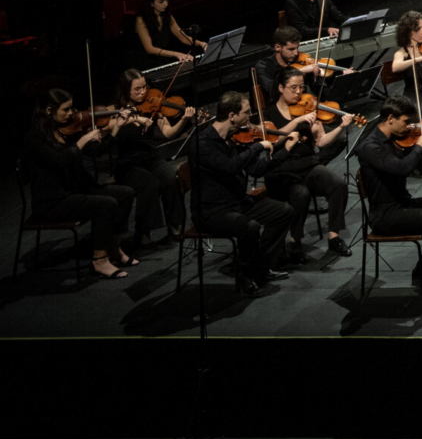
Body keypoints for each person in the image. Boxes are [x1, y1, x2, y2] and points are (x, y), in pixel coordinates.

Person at [352, 97, 422, 296]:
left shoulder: (398, 140)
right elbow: (402, 168)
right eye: (406, 122)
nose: (409, 127)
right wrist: (419, 146)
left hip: (403, 203)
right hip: (385, 214)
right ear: (390, 119)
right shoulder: (371, 147)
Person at [25, 88, 139, 281]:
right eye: (66, 110)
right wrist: (84, 139)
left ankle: (113, 248)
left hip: (75, 190)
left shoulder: (68, 129)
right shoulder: (36, 137)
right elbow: (59, 161)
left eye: (72, 108)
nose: (72, 114)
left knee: (125, 193)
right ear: (49, 111)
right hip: (53, 201)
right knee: (106, 204)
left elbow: (96, 151)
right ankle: (99, 260)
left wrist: (117, 126)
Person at [191, 90, 297, 295]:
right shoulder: (202, 144)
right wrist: (257, 148)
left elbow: (255, 169)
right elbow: (230, 167)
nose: (250, 118)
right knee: (249, 227)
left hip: (237, 203)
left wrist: (285, 151)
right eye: (247, 113)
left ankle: (261, 267)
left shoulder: (233, 138)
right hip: (212, 211)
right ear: (232, 116)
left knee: (283, 211)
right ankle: (245, 277)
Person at [259, 65, 351, 260]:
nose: (299, 92)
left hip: (308, 166)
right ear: (281, 88)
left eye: (301, 87)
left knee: (338, 184)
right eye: (293, 88)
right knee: (301, 193)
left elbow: (321, 142)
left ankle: (334, 237)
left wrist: (341, 128)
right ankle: (295, 241)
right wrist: (296, 122)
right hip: (281, 171)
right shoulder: (268, 114)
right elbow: (273, 142)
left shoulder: (307, 108)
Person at [110, 69, 193, 247]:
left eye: (145, 87)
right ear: (126, 90)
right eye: (137, 89)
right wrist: (134, 118)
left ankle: (175, 227)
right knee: (150, 184)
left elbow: (169, 133)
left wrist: (184, 120)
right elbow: (109, 129)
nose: (143, 93)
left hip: (151, 157)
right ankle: (143, 233)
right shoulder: (117, 112)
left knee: (170, 177)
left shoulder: (154, 108)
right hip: (128, 163)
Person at [134, 0, 207, 65]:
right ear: (151, 3)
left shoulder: (167, 16)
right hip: (146, 63)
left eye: (167, 0)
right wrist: (176, 54)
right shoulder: (141, 20)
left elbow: (183, 37)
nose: (166, 4)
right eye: (161, 2)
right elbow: (149, 49)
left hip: (162, 60)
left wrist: (201, 43)